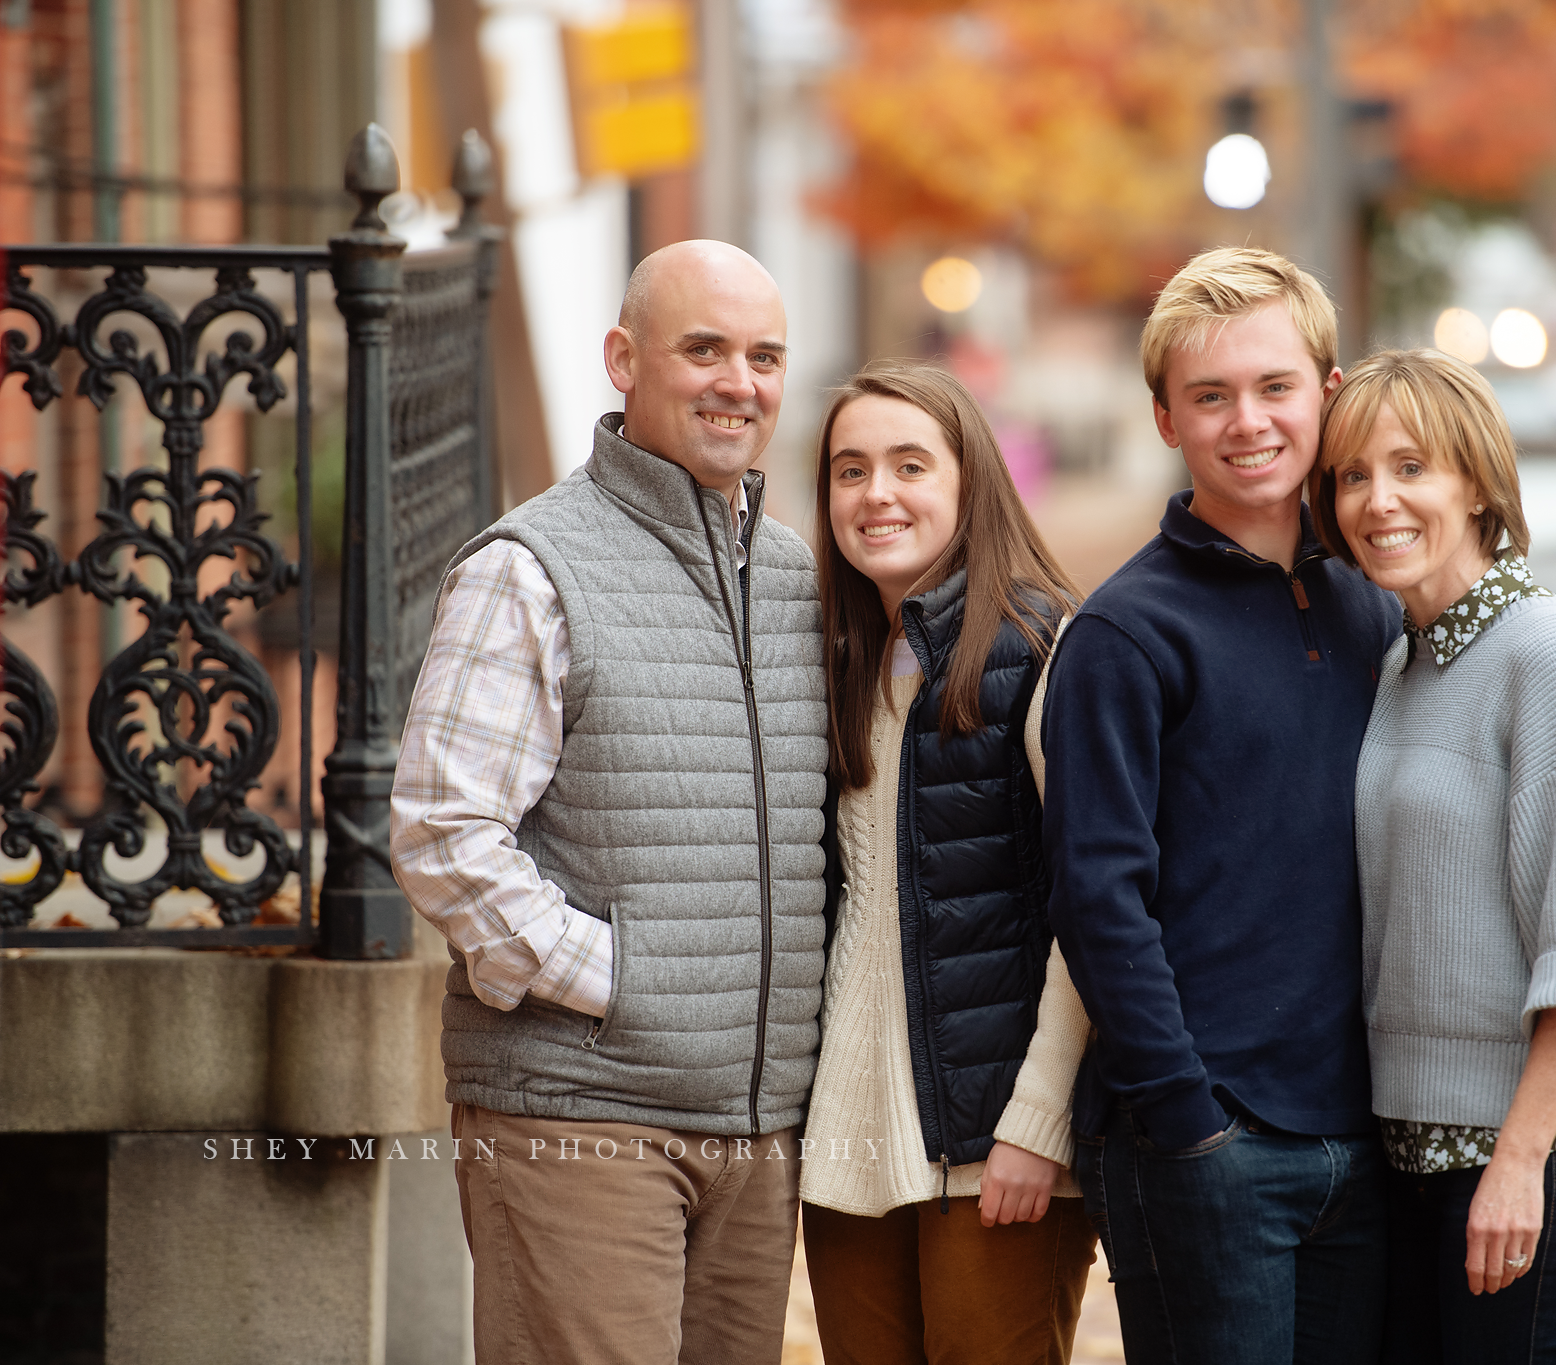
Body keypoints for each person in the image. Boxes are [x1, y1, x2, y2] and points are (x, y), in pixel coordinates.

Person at [390, 240, 828, 1365]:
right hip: (576, 1117)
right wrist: (618, 983)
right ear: (623, 360)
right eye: (704, 350)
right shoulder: (531, 567)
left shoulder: (790, 577)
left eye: (764, 355)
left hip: (753, 1130)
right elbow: (443, 833)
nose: (740, 382)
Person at [1038, 247, 1405, 1364]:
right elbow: (1099, 896)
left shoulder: (1372, 604)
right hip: (1207, 1143)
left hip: (1368, 1133)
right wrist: (1189, 1121)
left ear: (1325, 395)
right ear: (1163, 419)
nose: (1246, 421)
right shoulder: (1123, 635)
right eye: (1210, 396)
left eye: (1273, 387)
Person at [1310, 348, 1556, 1361]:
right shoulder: (1395, 661)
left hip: (1538, 1160)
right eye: (1351, 476)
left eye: (1410, 467)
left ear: (1476, 484)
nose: (1378, 501)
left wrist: (1516, 1165)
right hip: (1411, 1155)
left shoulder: (1550, 649)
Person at [798, 360, 1096, 1364]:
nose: (875, 493)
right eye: (849, 470)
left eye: (907, 465)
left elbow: (1089, 911)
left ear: (970, 483)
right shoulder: (840, 664)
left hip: (994, 1148)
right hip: (847, 1143)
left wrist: (1036, 1124)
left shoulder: (1047, 648)